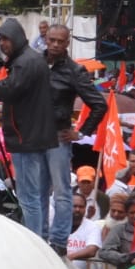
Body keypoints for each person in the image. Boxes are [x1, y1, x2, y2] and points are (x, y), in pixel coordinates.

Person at [0, 18, 57, 239]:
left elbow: (4, 91)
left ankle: (33, 241)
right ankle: (38, 238)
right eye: (0, 39)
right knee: (34, 196)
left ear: (16, 38)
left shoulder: (25, 63)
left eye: (5, 39)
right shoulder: (29, 59)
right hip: (31, 135)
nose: (2, 44)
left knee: (28, 197)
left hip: (25, 137)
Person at [42, 25, 106, 254]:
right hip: (34, 136)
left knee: (61, 191)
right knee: (38, 192)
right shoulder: (35, 63)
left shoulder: (74, 71)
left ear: (67, 43)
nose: (55, 44)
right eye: (52, 39)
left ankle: (59, 240)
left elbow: (99, 104)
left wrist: (81, 132)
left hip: (59, 137)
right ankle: (39, 236)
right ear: (45, 39)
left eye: (60, 41)